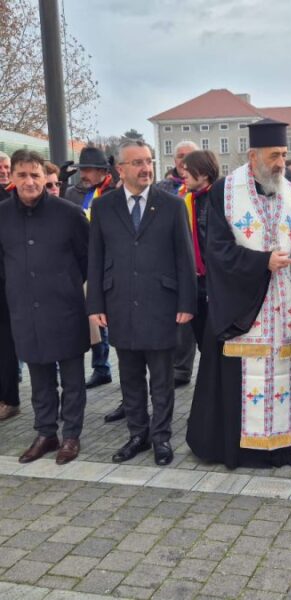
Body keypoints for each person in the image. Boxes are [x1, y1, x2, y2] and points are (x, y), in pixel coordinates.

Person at [186, 118, 291, 469]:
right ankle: (238, 450)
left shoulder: (289, 189)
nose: (280, 162)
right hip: (243, 306)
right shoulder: (224, 191)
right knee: (241, 375)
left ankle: (281, 447)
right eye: (274, 155)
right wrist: (262, 263)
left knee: (281, 372)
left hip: (281, 305)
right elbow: (217, 251)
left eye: (283, 154)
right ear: (253, 155)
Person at [87, 140, 197, 466]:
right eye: (136, 163)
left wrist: (186, 302)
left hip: (161, 304)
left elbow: (185, 259)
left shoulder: (172, 205)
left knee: (162, 379)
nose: (145, 168)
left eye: (148, 161)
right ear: (120, 169)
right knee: (130, 376)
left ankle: (161, 437)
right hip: (119, 302)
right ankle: (138, 434)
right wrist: (95, 305)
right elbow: (96, 258)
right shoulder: (104, 207)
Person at [0, 150, 90, 464]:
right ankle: (46, 433)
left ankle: (71, 436)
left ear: (44, 177)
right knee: (40, 381)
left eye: (35, 175)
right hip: (25, 312)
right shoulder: (2, 216)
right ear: (11, 178)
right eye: (22, 175)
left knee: (73, 380)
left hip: (65, 310)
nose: (29, 181)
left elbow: (87, 260)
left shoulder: (69, 214)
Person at [66, 147, 116, 394]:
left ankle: (109, 368)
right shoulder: (73, 194)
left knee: (109, 317)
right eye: (81, 170)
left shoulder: (113, 192)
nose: (83, 175)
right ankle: (101, 366)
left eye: (87, 170)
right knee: (94, 318)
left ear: (101, 171)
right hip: (85, 263)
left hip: (110, 262)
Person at [156, 141, 200, 390]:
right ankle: (171, 366)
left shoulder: (206, 186)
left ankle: (183, 368)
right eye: (180, 156)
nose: (184, 161)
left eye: (190, 156)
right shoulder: (164, 188)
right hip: (168, 260)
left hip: (198, 260)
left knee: (188, 319)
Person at [181, 150, 220, 346]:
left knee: (214, 340)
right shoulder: (187, 201)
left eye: (188, 171)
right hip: (195, 282)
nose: (183, 175)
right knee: (201, 339)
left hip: (215, 281)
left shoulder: (219, 200)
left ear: (204, 174)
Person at [0, 151, 20, 421]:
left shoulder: (10, 200)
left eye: (6, 167)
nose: (3, 171)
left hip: (6, 283)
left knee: (5, 345)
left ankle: (9, 398)